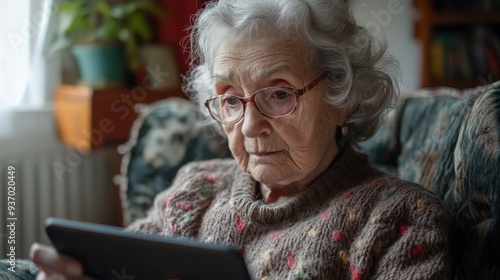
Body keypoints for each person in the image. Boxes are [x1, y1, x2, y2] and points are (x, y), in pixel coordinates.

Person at [30, 0, 450, 279]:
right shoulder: (194, 192)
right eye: (230, 99)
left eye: (280, 94)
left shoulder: (400, 220)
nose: (249, 126)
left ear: (343, 96)